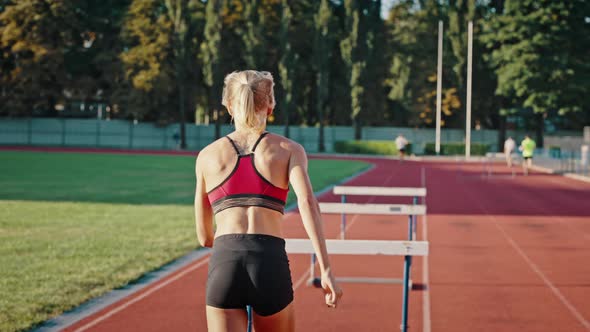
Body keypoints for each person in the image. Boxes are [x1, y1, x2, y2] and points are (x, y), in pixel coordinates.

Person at [194, 70, 342, 332]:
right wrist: (326, 268)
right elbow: (307, 204)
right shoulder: (289, 150)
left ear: (229, 105)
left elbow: (204, 237)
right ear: (270, 105)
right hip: (268, 261)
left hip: (224, 261)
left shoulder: (207, 156)